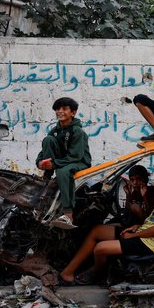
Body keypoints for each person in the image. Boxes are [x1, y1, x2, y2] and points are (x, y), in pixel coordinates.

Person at [59, 166, 154, 285]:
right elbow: (151, 220)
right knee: (97, 230)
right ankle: (68, 272)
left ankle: (96, 272)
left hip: (149, 243)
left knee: (100, 248)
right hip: (141, 232)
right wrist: (137, 226)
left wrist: (133, 236)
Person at [36, 97, 91, 229]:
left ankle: (68, 214)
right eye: (57, 109)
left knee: (63, 171)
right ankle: (47, 177)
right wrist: (40, 163)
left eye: (64, 109)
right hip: (62, 161)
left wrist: (55, 164)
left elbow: (75, 156)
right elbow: (43, 151)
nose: (60, 111)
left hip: (79, 162)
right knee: (48, 140)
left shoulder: (78, 132)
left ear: (73, 113)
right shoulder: (54, 131)